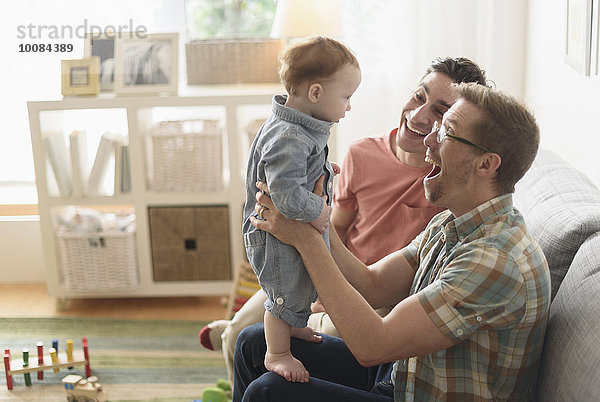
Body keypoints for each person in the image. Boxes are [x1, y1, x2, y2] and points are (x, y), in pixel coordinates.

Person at [234, 82, 551, 401]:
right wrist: (315, 210)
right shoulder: (453, 221)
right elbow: (372, 285)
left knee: (268, 392)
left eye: (445, 132)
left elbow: (373, 345)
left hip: (411, 390)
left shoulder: (494, 260)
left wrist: (305, 239)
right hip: (401, 376)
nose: (428, 138)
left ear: (486, 164)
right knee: (253, 343)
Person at [199, 56, 490, 382]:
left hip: (378, 300)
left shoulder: (446, 185)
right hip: (324, 264)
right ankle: (235, 355)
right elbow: (335, 227)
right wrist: (316, 268)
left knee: (312, 335)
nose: (418, 115)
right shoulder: (361, 153)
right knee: (239, 333)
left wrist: (329, 286)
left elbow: (392, 285)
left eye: (440, 111)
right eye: (419, 97)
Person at [241, 36, 362, 383]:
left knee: (301, 286)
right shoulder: (290, 136)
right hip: (274, 238)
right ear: (316, 93)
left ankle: (292, 330)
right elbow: (286, 194)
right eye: (347, 97)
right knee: (284, 291)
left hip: (284, 232)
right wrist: (319, 210)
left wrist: (323, 170)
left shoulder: (298, 128)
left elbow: (295, 170)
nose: (349, 107)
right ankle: (276, 352)